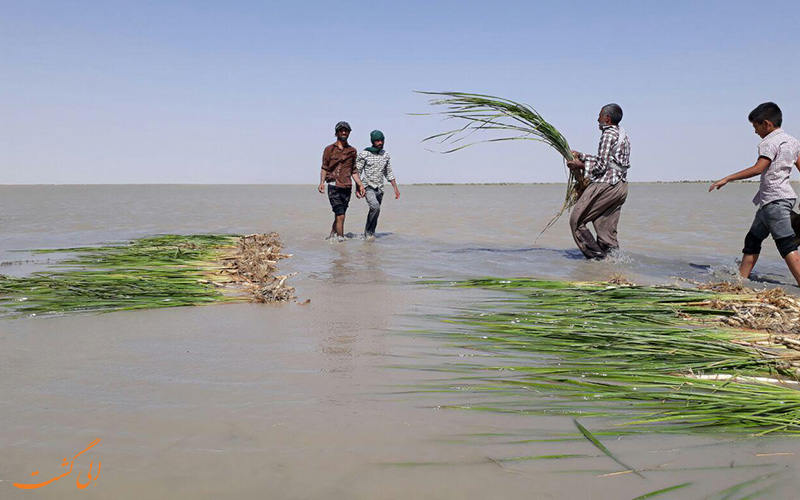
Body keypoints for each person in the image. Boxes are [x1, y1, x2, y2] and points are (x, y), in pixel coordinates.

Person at [709, 102, 800, 286]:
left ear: (766, 123)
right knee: (752, 240)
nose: (755, 131)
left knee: (786, 244)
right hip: (774, 201)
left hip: (775, 201)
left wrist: (728, 178)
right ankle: (740, 282)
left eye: (755, 126)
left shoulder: (768, 143)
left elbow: (758, 169)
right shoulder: (793, 141)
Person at [566, 104, 631, 259]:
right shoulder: (622, 135)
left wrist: (579, 165)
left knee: (577, 221)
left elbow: (601, 166)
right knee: (605, 230)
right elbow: (609, 161)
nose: (597, 119)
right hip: (620, 187)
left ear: (607, 118)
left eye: (600, 116)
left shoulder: (608, 134)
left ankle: (597, 260)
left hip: (606, 185)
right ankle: (613, 264)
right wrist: (581, 155)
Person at [319, 121, 365, 239]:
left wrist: (360, 185)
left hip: (347, 186)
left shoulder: (352, 151)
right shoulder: (329, 149)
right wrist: (321, 183)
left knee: (340, 214)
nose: (344, 132)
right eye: (341, 130)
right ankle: (341, 241)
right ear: (336, 133)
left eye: (346, 130)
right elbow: (324, 167)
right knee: (340, 215)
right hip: (333, 185)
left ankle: (331, 237)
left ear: (349, 133)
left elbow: (353, 170)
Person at [355, 130, 400, 237]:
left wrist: (395, 188)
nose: (380, 143)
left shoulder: (386, 155)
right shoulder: (364, 154)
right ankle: (368, 233)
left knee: (376, 211)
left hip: (380, 189)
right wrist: (358, 188)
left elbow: (388, 172)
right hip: (367, 186)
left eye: (382, 140)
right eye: (377, 141)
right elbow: (357, 171)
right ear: (373, 141)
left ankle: (370, 234)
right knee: (375, 207)